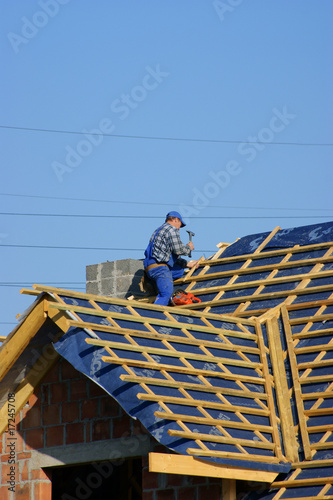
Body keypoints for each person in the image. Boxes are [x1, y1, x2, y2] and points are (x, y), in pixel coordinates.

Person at [143, 211, 198, 305]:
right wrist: (189, 248)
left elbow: (170, 255)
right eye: (180, 225)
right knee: (166, 294)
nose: (179, 229)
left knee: (179, 271)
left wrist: (187, 264)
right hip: (160, 269)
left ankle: (156, 283)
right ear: (176, 220)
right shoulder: (172, 229)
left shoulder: (158, 230)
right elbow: (179, 250)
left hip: (150, 268)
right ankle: (155, 315)